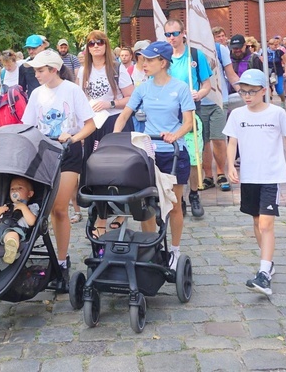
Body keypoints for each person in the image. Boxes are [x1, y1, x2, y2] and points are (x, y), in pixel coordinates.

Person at [113, 41, 195, 269]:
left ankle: (175, 251)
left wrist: (174, 134)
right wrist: (115, 137)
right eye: (143, 59)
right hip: (148, 152)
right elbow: (124, 115)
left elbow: (188, 123)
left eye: (149, 60)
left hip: (173, 152)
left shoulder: (180, 88)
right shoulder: (142, 88)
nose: (144, 63)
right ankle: (150, 247)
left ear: (163, 62)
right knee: (145, 203)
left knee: (174, 204)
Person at [21, 50, 96, 285]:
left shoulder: (72, 90)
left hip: (68, 152)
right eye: (35, 70)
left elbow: (90, 125)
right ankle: (51, 258)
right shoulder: (35, 94)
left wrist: (73, 139)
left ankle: (62, 261)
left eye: (41, 70)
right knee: (46, 209)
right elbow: (28, 125)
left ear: (54, 69)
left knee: (60, 207)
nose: (37, 74)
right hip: (44, 152)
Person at [224, 69, 286, 296]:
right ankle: (268, 262)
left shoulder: (276, 113)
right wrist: (229, 166)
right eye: (243, 91)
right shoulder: (237, 115)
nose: (247, 96)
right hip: (249, 176)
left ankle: (264, 273)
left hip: (271, 175)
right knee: (257, 222)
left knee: (266, 224)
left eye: (252, 91)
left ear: (263, 91)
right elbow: (231, 143)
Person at [77, 30, 134, 230]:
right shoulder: (82, 71)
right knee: (95, 168)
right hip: (93, 124)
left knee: (117, 168)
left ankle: (121, 212)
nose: (95, 46)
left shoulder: (117, 68)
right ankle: (101, 211)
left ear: (106, 45)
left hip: (115, 121)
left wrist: (110, 102)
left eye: (99, 42)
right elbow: (80, 100)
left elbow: (131, 98)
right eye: (91, 43)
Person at [164, 19, 212, 218]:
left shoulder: (194, 55)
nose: (172, 38)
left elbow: (207, 84)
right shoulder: (163, 58)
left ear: (183, 33)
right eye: (168, 35)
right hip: (169, 114)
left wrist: (199, 94)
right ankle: (178, 199)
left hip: (191, 113)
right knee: (172, 156)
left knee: (193, 156)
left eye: (175, 33)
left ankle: (193, 194)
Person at [200, 27, 240, 193]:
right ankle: (208, 175)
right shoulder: (192, 51)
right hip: (198, 102)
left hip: (218, 100)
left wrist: (246, 92)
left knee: (218, 138)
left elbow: (230, 74)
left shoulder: (220, 49)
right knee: (203, 141)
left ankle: (221, 173)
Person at [266, 36, 286, 107]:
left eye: (276, 44)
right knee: (268, 89)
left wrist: (285, 72)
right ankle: (270, 103)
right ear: (269, 45)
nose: (275, 46)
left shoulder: (280, 52)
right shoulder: (265, 52)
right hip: (268, 73)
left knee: (279, 90)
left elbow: (285, 63)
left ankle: (283, 99)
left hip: (278, 73)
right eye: (273, 45)